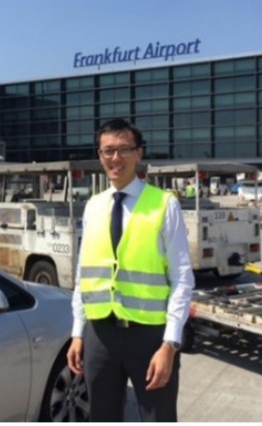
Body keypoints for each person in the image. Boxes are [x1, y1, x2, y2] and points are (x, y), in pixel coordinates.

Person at [67, 118, 195, 422]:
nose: (115, 158)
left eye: (124, 149)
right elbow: (82, 275)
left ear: (139, 153)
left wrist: (170, 344)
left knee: (157, 416)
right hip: (100, 335)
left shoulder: (164, 204)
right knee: (101, 416)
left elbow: (182, 278)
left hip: (149, 337)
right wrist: (77, 332)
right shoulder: (93, 206)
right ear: (99, 156)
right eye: (108, 151)